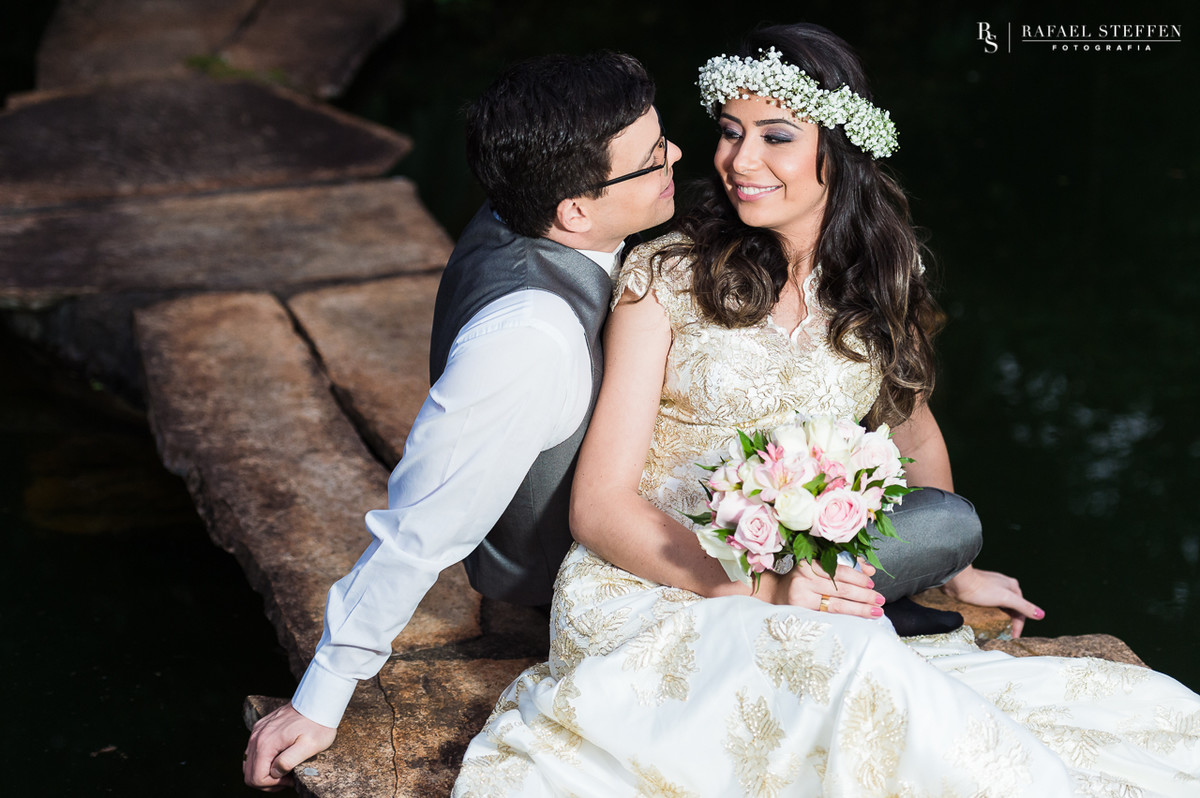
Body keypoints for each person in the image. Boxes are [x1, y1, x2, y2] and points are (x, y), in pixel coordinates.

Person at [452, 24, 1200, 796]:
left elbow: (909, 423)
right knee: (856, 669)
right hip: (659, 583)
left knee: (1149, 719)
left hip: (805, 572)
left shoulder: (882, 269)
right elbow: (599, 505)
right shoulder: (666, 273)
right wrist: (752, 587)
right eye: (730, 132)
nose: (739, 161)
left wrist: (955, 565)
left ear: (837, 148)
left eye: (776, 137)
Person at [243, 51, 682, 791]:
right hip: (560, 585)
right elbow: (423, 522)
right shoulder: (529, 338)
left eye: (664, 138)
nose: (677, 157)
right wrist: (322, 695)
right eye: (653, 159)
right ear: (574, 210)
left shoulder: (517, 209)